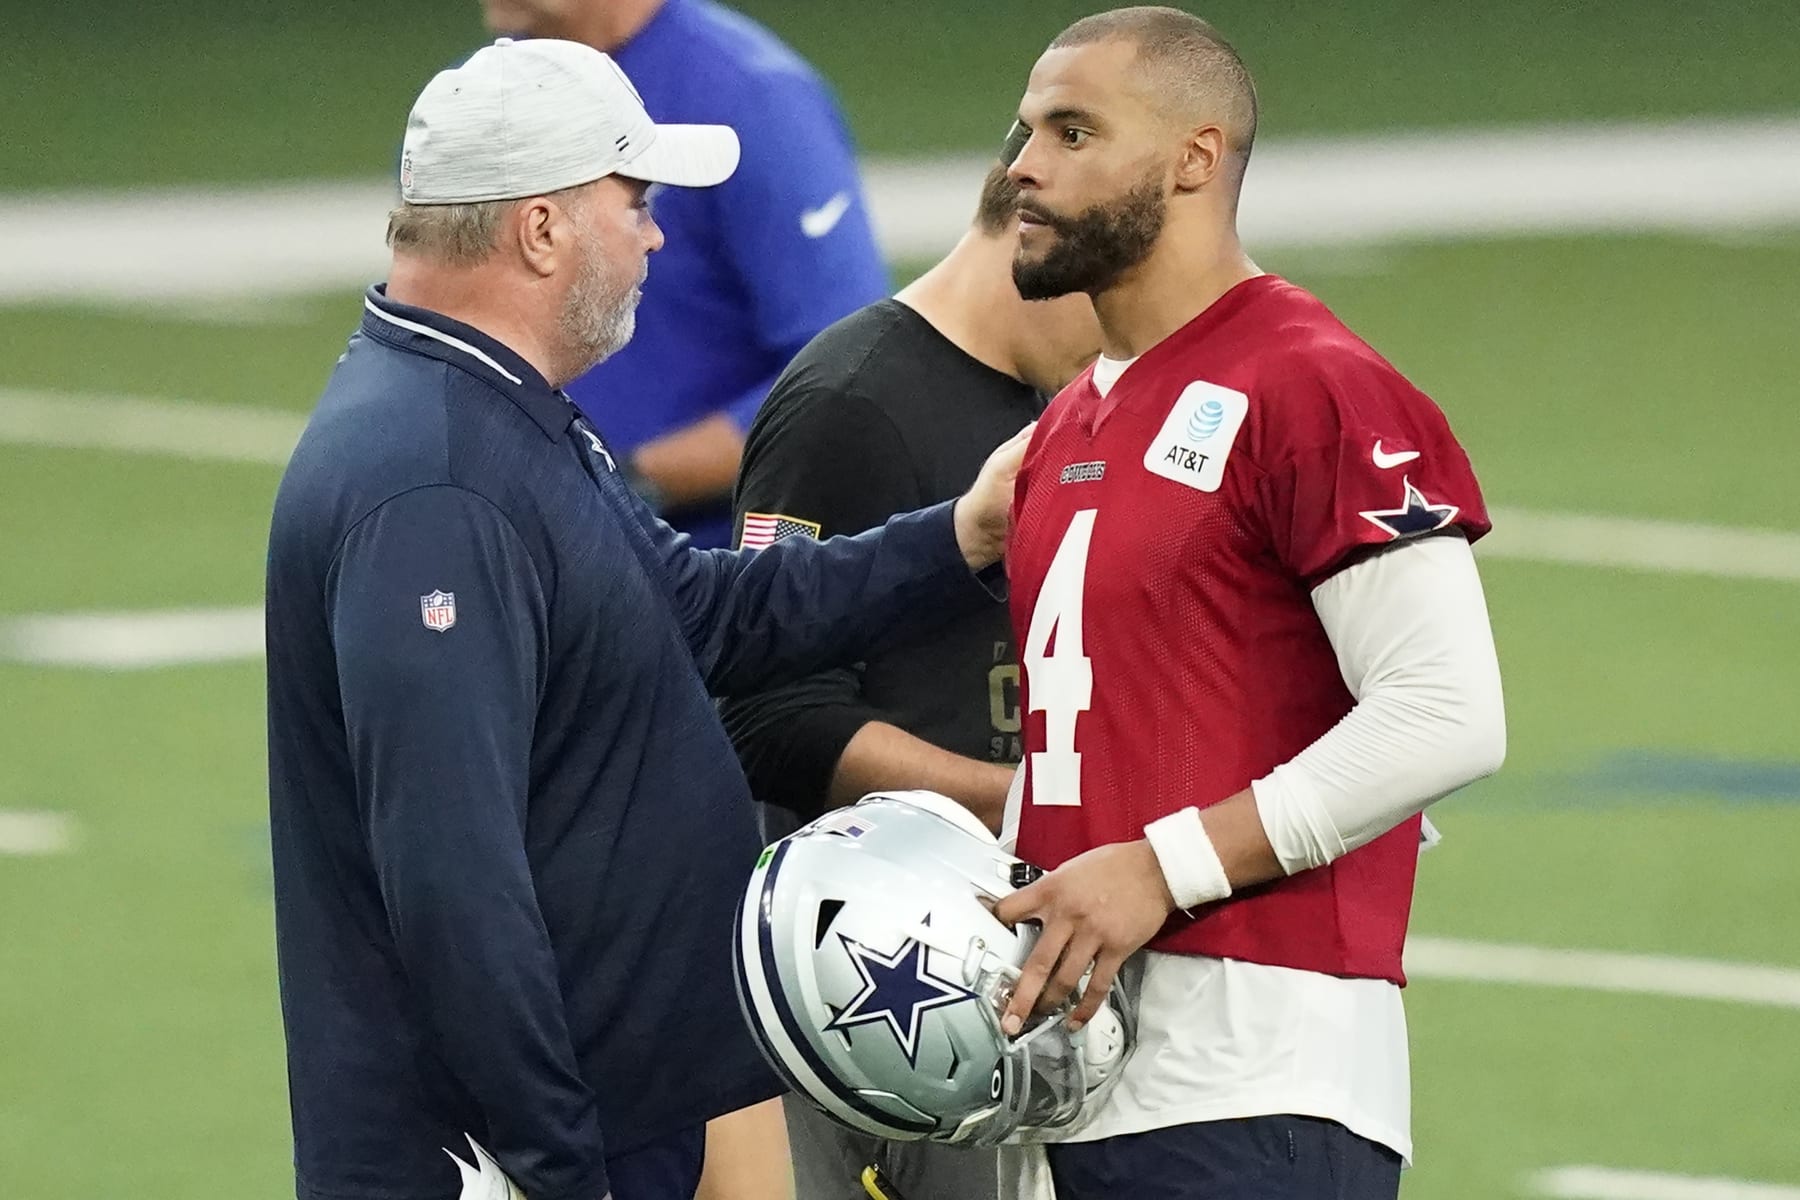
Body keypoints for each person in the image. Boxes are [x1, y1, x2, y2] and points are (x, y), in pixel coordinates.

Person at [264, 38, 1025, 1200]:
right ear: (541, 230)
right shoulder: (436, 481)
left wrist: (959, 535)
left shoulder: (499, 413)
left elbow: (703, 612)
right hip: (520, 1151)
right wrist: (562, 1161)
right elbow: (452, 881)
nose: (656, 236)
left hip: (616, 1116)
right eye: (638, 201)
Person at [984, 9, 1508, 1200]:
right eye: (1026, 132)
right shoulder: (1072, 418)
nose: (1024, 164)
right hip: (1067, 1082)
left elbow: (1447, 710)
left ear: (1194, 158)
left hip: (1256, 1077)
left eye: (1074, 132)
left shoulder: (1314, 383)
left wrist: (1160, 866)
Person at [719, 160, 1101, 1200]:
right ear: (1030, 239)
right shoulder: (850, 403)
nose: (1122, 328)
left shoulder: (1053, 392)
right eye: (1107, 287)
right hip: (862, 967)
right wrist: (1025, 805)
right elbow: (768, 714)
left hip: (988, 951)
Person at [478, 0, 889, 548]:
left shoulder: (753, 99)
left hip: (702, 572)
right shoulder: (478, 105)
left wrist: (625, 485)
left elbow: (850, 375)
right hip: (527, 558)